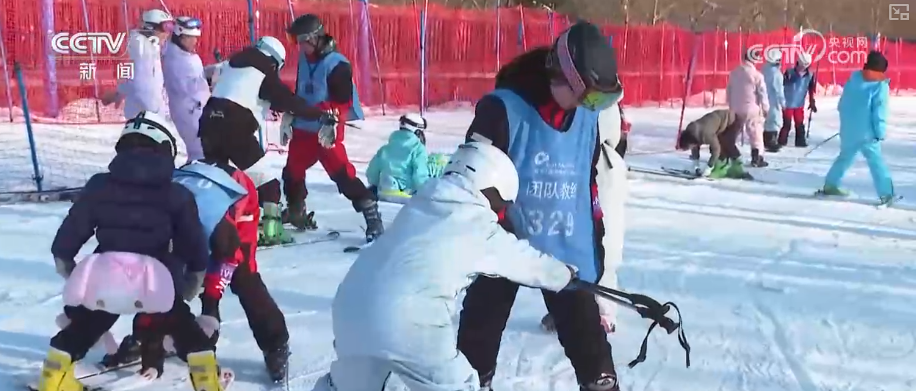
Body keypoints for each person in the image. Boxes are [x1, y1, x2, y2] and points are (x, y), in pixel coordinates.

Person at [319, 141, 578, 391]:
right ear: (490, 185)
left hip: (349, 307)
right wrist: (564, 275)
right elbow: (525, 262)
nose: (499, 214)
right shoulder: (475, 223)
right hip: (409, 322)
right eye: (500, 204)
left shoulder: (421, 204)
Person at [456, 22, 625, 391]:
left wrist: (596, 243)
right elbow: (470, 183)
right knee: (477, 338)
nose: (590, 106)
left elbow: (586, 183)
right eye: (589, 96)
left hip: (565, 248)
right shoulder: (501, 110)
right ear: (560, 75)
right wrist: (496, 224)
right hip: (503, 246)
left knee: (593, 352)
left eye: (600, 101)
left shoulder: (586, 117)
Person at [41, 111, 223, 391]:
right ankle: (206, 381)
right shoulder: (176, 194)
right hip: (155, 284)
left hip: (107, 276)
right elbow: (194, 244)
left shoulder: (99, 185)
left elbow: (71, 232)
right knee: (184, 329)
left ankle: (54, 375)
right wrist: (191, 283)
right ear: (166, 151)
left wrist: (67, 265)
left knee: (87, 323)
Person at [200, 35, 337, 247]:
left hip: (208, 124)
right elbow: (286, 99)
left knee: (218, 180)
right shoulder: (263, 70)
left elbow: (241, 92)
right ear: (275, 61)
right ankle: (271, 230)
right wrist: (318, 115)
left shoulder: (233, 64)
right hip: (235, 128)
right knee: (269, 184)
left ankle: (211, 225)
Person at [172, 159, 291, 382]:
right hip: (195, 188)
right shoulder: (157, 220)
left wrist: (210, 306)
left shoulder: (217, 226)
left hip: (238, 200)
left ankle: (275, 342)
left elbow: (228, 257)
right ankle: (170, 331)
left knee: (243, 277)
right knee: (166, 281)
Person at [279, 14, 384, 242]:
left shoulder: (338, 64)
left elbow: (343, 101)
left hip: (325, 131)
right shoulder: (304, 59)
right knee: (292, 172)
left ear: (315, 39)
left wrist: (325, 114)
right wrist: (291, 110)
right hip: (303, 129)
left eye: (302, 41)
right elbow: (302, 90)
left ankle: (372, 216)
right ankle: (296, 211)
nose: (299, 47)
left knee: (342, 175)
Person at [818, 51, 897, 206]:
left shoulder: (854, 79)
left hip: (848, 129)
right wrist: (880, 132)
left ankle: (831, 184)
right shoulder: (880, 86)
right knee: (876, 162)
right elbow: (879, 111)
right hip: (868, 133)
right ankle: (887, 194)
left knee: (845, 157)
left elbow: (842, 104)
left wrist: (848, 123)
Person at [101, 9, 173, 119]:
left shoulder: (152, 46)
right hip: (147, 115)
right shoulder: (140, 47)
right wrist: (117, 93)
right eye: (165, 28)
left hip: (151, 113)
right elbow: (139, 84)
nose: (167, 33)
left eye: (170, 28)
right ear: (150, 28)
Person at [163, 16, 209, 162]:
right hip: (189, 111)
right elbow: (189, 87)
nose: (195, 41)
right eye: (190, 38)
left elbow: (197, 77)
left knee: (203, 151)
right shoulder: (174, 58)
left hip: (196, 108)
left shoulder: (183, 54)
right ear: (179, 36)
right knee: (200, 152)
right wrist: (213, 80)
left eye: (195, 38)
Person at [365, 113, 431, 203]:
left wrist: (377, 184)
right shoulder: (418, 150)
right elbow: (420, 176)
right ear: (417, 132)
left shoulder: (385, 149)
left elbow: (372, 173)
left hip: (384, 191)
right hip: (405, 195)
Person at [726, 49, 769, 169]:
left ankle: (728, 154)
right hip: (752, 108)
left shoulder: (734, 73)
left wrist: (730, 104)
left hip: (736, 108)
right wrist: (765, 107)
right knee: (755, 132)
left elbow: (729, 90)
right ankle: (757, 157)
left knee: (732, 133)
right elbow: (762, 93)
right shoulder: (757, 75)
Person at [676, 109, 742, 178]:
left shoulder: (706, 135)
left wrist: (709, 167)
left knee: (725, 144)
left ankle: (736, 166)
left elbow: (716, 150)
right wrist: (696, 165)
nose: (690, 148)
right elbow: (694, 147)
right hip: (719, 124)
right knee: (716, 144)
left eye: (688, 147)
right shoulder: (690, 132)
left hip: (733, 121)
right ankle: (720, 165)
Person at [779, 52, 818, 148]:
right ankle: (781, 141)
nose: (802, 67)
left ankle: (800, 141)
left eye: (805, 65)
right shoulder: (789, 72)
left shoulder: (810, 74)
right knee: (787, 123)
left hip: (799, 102)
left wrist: (812, 101)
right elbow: (781, 85)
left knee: (799, 123)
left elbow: (811, 88)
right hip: (787, 102)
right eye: (801, 65)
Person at [762, 48, 786, 154]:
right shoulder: (776, 74)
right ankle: (771, 141)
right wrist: (783, 102)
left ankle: (765, 140)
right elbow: (779, 90)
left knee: (767, 120)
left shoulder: (763, 70)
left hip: (762, 99)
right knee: (775, 119)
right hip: (773, 100)